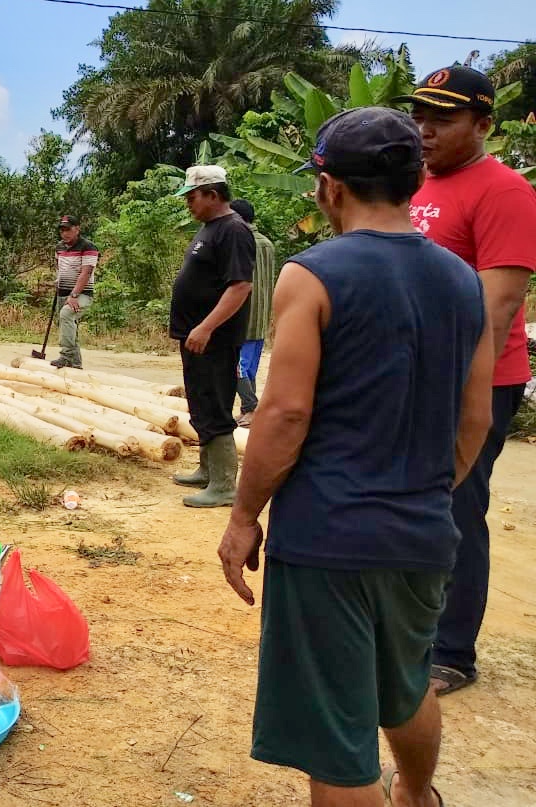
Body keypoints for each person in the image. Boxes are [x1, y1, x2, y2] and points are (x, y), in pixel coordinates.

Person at [218, 107, 494, 807]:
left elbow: (284, 413)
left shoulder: (313, 275)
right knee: (405, 684)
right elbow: (476, 417)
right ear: (413, 180)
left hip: (329, 541)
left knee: (337, 745)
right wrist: (425, 493)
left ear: (329, 186)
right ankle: (418, 796)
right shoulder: (465, 282)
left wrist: (245, 514)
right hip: (425, 534)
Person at [396, 66, 536, 698]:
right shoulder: (412, 183)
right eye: (420, 115)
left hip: (474, 378)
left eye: (443, 119)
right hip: (410, 373)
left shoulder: (504, 193)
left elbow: (498, 304)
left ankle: (452, 651)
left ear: (484, 125)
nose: (425, 130)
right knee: (408, 497)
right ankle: (411, 626)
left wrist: (465, 391)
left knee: (457, 504)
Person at [169, 165, 254, 507]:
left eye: (192, 197)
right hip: (196, 337)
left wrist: (206, 326)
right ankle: (207, 470)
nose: (188, 204)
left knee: (216, 403)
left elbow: (240, 286)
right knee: (201, 400)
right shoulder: (210, 228)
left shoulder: (233, 230)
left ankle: (224, 485)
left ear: (213, 195)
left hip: (214, 339)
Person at [229, 199, 277, 427]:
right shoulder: (267, 243)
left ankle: (251, 407)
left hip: (243, 314)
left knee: (236, 366)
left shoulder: (240, 242)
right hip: (262, 314)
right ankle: (248, 410)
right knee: (249, 366)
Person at [51, 214, 100, 370]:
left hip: (82, 293)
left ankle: (66, 356)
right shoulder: (59, 247)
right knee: (68, 325)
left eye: (68, 229)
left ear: (77, 229)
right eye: (62, 230)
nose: (64, 233)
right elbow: (59, 267)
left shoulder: (88, 247)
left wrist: (74, 295)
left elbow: (86, 273)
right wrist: (57, 282)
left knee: (66, 315)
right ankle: (76, 363)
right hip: (63, 292)